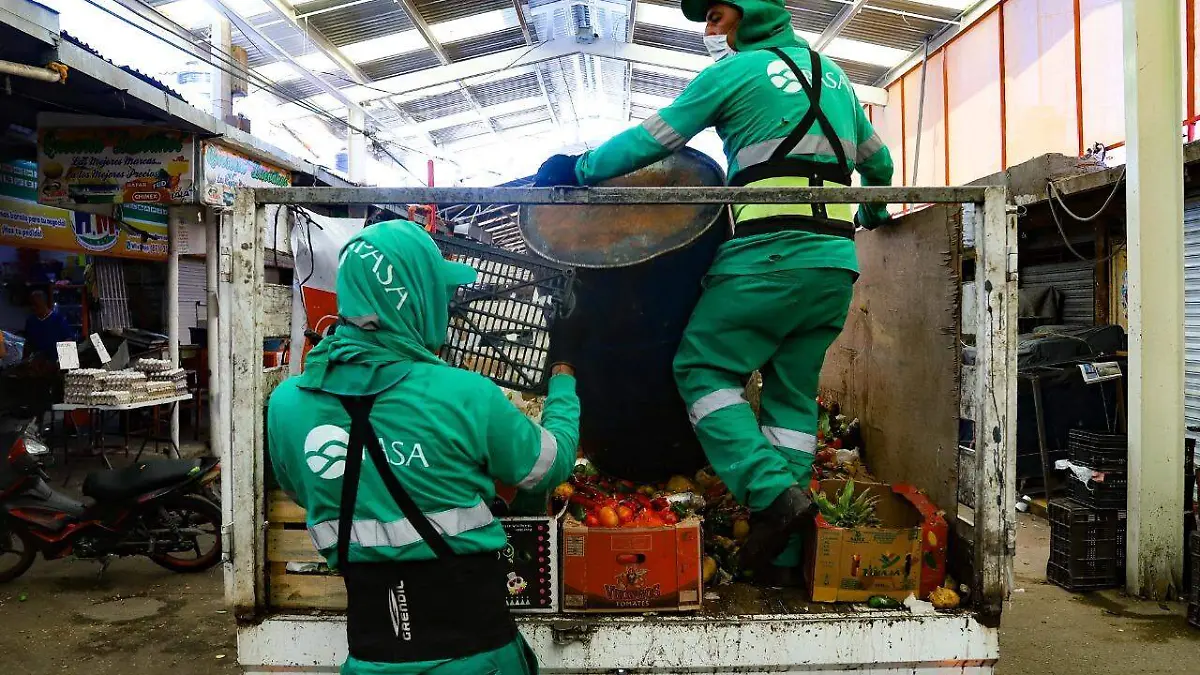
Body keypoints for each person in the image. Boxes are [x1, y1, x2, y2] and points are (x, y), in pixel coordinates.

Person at [534, 0, 895, 582]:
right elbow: (880, 166)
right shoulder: (839, 80)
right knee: (792, 403)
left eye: (716, 15)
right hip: (833, 265)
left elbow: (654, 140)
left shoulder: (731, 75)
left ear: (748, 12)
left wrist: (576, 170)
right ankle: (782, 557)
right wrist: (872, 213)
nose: (709, 29)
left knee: (702, 370)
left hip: (765, 259)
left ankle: (773, 492)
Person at [267, 220, 580, 674]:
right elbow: (549, 464)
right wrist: (564, 383)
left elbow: (303, 490)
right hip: (476, 660)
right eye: (440, 294)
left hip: (371, 659)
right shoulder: (466, 395)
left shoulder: (287, 405)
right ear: (415, 298)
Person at [23, 290, 73, 362]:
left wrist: (67, 363)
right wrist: (25, 360)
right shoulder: (30, 321)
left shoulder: (58, 319)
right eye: (31, 304)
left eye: (36, 304)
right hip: (39, 365)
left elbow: (68, 340)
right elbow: (28, 343)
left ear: (44, 303)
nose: (33, 307)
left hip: (56, 363)